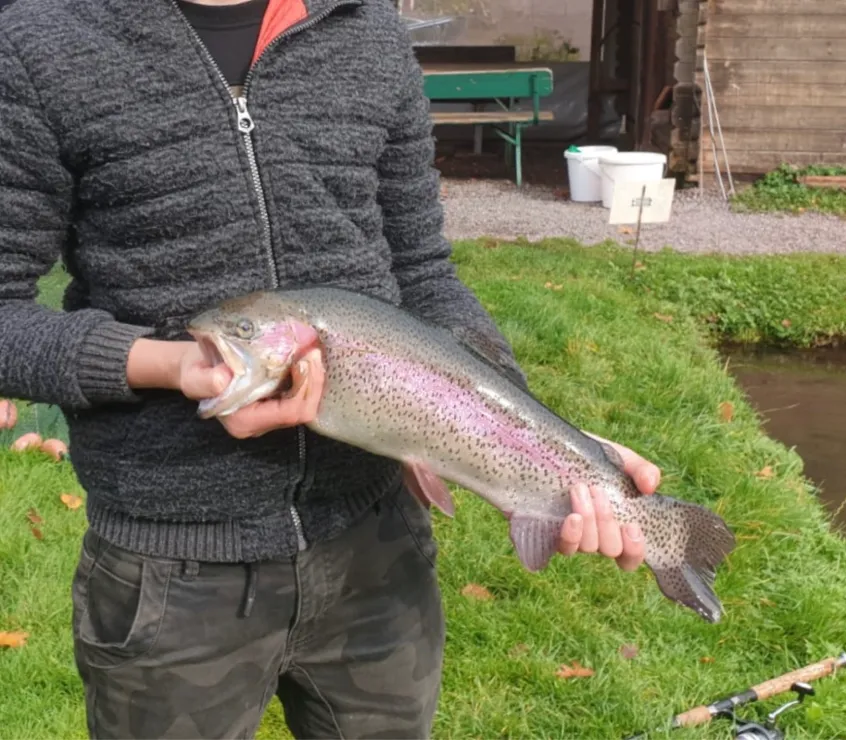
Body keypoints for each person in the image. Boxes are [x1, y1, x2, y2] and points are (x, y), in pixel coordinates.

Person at [0, 0, 661, 737]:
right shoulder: (38, 42)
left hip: (377, 550)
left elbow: (422, 271)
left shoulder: (365, 28)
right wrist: (175, 365)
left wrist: (533, 440)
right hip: (172, 571)